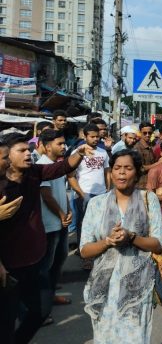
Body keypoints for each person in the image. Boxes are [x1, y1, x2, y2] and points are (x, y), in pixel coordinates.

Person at [0, 134, 94, 344]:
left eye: (28, 149)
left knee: (41, 310)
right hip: (8, 267)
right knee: (6, 322)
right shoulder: (2, 184)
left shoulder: (34, 173)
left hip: (34, 259)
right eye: (21, 151)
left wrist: (79, 153)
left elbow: (61, 168)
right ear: (6, 157)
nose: (29, 153)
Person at [80, 149, 162, 344]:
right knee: (105, 338)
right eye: (117, 168)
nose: (122, 173)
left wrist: (131, 237)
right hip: (104, 287)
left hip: (138, 287)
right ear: (111, 172)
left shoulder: (148, 199)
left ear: (137, 172)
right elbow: (84, 250)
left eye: (127, 168)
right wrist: (107, 242)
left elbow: (157, 244)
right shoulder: (96, 204)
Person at [37, 130, 73, 325]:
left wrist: (68, 210)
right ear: (46, 145)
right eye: (59, 143)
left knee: (58, 262)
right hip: (49, 225)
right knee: (45, 268)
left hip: (61, 222)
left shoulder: (58, 165)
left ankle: (49, 298)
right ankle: (40, 311)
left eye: (64, 143)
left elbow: (60, 192)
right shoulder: (42, 165)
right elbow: (46, 194)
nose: (63, 147)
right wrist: (61, 214)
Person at [67, 123, 111, 262]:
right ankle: (84, 253)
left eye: (97, 136)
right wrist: (81, 193)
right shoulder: (77, 153)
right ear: (85, 137)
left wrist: (108, 189)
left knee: (101, 223)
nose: (95, 139)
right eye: (92, 136)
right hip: (84, 193)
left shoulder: (103, 152)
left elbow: (107, 172)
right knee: (84, 224)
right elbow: (70, 176)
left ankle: (98, 251)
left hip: (101, 193)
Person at [134, 122, 162, 189]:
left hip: (152, 183)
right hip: (141, 185)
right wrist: (159, 163)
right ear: (140, 132)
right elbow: (141, 168)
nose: (147, 135)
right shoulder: (137, 147)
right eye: (145, 133)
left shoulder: (152, 146)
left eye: (149, 133)